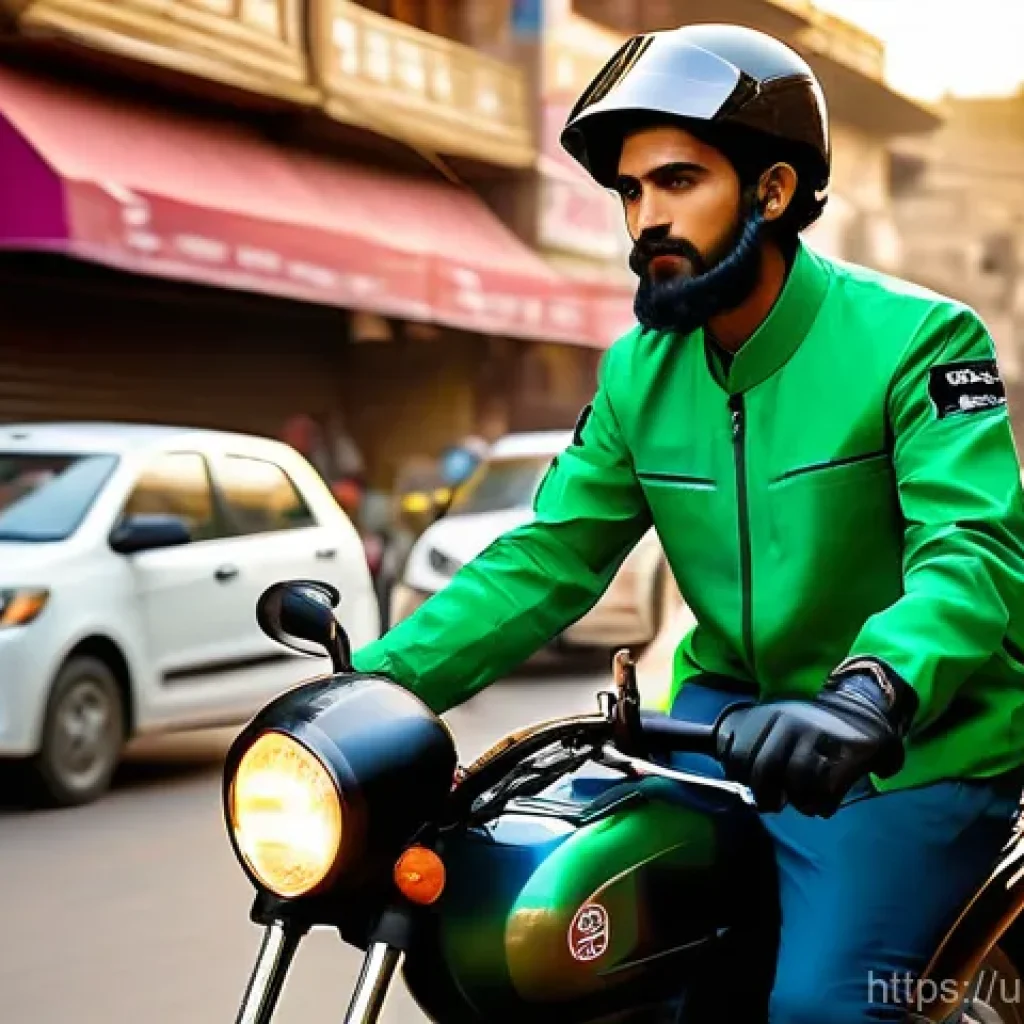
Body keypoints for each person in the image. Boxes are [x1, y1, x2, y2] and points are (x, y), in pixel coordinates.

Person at [350, 23, 1024, 1023]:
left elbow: (969, 556)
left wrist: (869, 691)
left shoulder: (918, 339)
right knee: (549, 934)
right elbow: (549, 558)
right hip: (711, 726)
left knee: (820, 1009)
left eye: (676, 182)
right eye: (630, 191)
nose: (644, 219)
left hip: (904, 749)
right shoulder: (638, 369)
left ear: (773, 192)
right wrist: (373, 692)